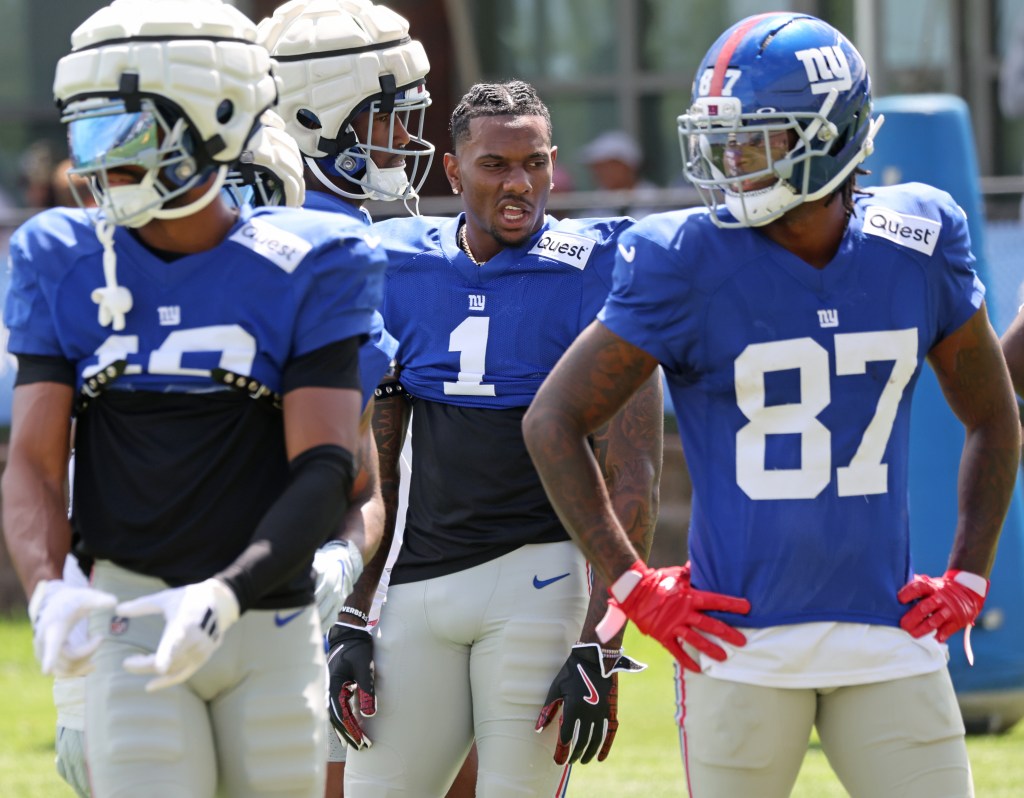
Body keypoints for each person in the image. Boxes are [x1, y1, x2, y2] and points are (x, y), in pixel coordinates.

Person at [523, 12, 1021, 798]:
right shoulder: (682, 257)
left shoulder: (919, 238)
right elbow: (552, 421)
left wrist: (969, 575)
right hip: (737, 645)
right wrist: (632, 584)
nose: (728, 161)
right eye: (720, 138)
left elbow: (993, 416)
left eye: (756, 139)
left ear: (829, 137)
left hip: (886, 635)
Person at [1, 0, 387, 796]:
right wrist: (47, 590)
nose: (94, 164)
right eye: (86, 133)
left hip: (267, 617)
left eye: (119, 133)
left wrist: (228, 592)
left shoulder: (309, 258)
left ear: (210, 124)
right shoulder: (64, 257)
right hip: (131, 609)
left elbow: (327, 467)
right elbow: (34, 463)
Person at [331, 79, 663, 797]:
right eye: (496, 165)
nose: (520, 183)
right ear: (453, 171)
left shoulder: (602, 265)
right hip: (418, 584)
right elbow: (376, 456)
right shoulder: (398, 261)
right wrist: (355, 610)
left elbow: (633, 468)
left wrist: (603, 637)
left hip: (540, 581)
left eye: (536, 163)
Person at [254, 3, 464, 796]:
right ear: (312, 118)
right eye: (384, 121)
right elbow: (356, 444)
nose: (405, 143)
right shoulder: (329, 242)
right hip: (295, 554)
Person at [578, 130, 660, 218]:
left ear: (627, 165)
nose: (598, 172)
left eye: (607, 166)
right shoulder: (593, 204)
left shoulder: (661, 200)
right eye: (596, 167)